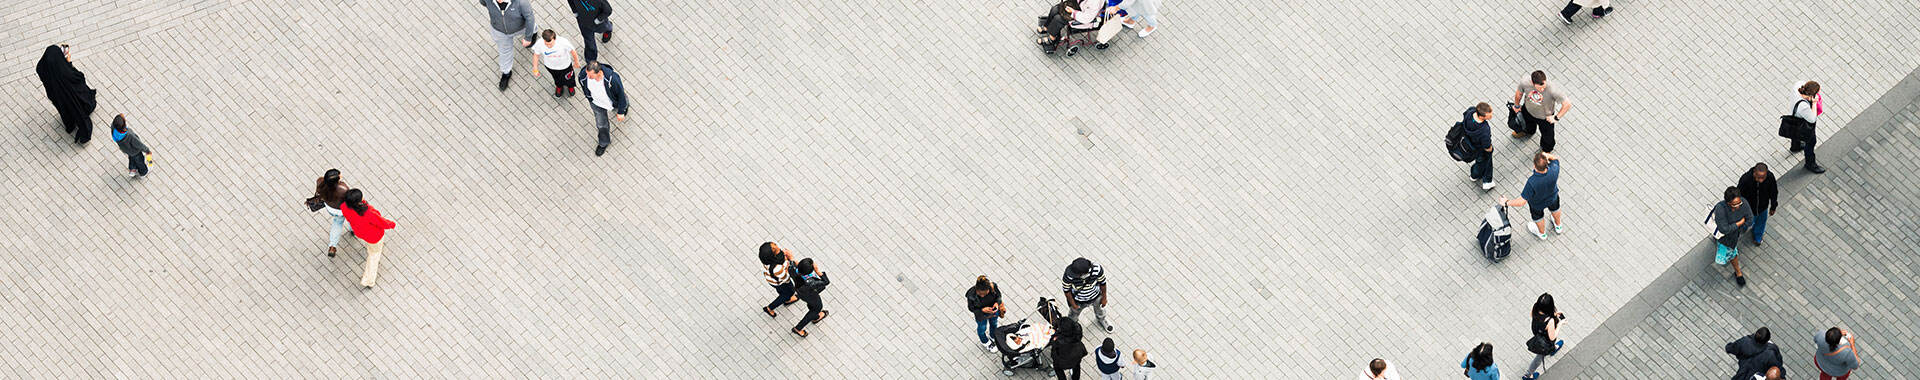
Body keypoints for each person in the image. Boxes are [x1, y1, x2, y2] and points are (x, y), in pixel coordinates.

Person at [35, 44, 98, 145]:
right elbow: (78, 77)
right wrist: (68, 63)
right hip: (71, 93)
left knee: (64, 108)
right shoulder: (63, 72)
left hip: (56, 95)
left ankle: (70, 122)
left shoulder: (43, 68)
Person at [1500, 152, 1564, 240]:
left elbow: (1521, 202)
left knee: (1538, 217)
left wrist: (1507, 202)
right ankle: (1558, 225)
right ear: (1546, 163)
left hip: (1537, 205)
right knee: (1555, 209)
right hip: (1553, 197)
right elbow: (1555, 159)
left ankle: (1542, 234)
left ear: (1534, 166)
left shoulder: (1532, 182)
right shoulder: (1554, 169)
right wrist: (1546, 155)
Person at [340, 189, 397, 288]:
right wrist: (391, 224)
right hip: (374, 236)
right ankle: (369, 280)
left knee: (372, 248)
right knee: (374, 255)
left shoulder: (344, 207)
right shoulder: (367, 212)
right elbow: (382, 222)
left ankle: (370, 250)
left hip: (361, 233)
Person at [1509, 71, 1573, 153]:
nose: (1542, 89)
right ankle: (1527, 132)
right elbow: (1519, 93)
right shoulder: (1525, 82)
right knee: (1527, 125)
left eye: (1544, 87)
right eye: (1540, 88)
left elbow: (1567, 104)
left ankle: (1546, 150)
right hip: (1528, 110)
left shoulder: (1553, 90)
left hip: (1545, 117)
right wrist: (1517, 106)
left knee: (1548, 137)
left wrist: (1556, 118)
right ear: (1533, 82)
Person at [484, 0, 538, 91]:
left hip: (521, 27)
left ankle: (533, 33)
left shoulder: (521, 2)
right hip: (500, 31)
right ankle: (506, 73)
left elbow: (530, 18)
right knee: (504, 52)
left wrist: (528, 38)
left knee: (532, 27)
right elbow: (483, 3)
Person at [578, 62, 630, 157]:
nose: (587, 76)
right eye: (587, 73)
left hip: (613, 102)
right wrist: (590, 98)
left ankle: (624, 107)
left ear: (599, 72)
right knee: (601, 125)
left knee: (623, 102)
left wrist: (621, 111)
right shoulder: (583, 76)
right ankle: (603, 142)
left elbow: (620, 94)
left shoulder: (612, 79)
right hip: (597, 103)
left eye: (590, 75)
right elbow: (584, 87)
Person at [1711, 187, 1755, 287]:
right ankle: (1738, 272)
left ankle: (1738, 272)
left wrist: (1737, 228)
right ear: (1728, 202)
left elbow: (1750, 219)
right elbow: (1724, 229)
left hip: (1734, 234)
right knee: (1732, 253)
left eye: (1739, 203)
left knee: (1731, 251)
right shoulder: (1721, 209)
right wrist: (1739, 223)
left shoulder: (1743, 203)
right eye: (1734, 204)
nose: (1738, 206)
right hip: (1726, 237)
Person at [307, 170, 353, 257]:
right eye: (339, 175)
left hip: (330, 208)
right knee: (351, 219)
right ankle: (352, 230)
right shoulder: (343, 188)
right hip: (341, 210)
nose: (341, 175)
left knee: (337, 224)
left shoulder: (320, 182)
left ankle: (332, 246)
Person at [1521, 293, 1566, 380]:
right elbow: (1552, 337)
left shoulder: (1535, 308)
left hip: (1537, 331)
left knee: (1548, 347)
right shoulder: (1550, 321)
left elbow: (1534, 316)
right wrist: (1560, 323)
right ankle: (1528, 375)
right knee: (1539, 356)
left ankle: (1553, 348)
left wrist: (1554, 314)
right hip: (1544, 340)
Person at [1062, 257, 1113, 332]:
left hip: (1095, 296)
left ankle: (1101, 319)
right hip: (1078, 301)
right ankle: (1072, 326)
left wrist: (1104, 298)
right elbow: (1066, 291)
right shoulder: (1069, 275)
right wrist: (1073, 304)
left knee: (1099, 310)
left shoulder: (1097, 269)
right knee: (1073, 315)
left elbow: (1103, 283)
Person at [529, 30, 582, 98]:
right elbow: (536, 55)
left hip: (565, 66)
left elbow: (572, 51)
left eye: (551, 44)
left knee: (569, 78)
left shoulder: (563, 42)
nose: (549, 46)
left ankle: (570, 86)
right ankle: (559, 87)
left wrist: (576, 62)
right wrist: (535, 68)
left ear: (555, 38)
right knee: (556, 78)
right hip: (551, 67)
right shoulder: (540, 43)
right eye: (546, 44)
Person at [1736, 163, 1779, 246]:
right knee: (1744, 224)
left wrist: (1773, 206)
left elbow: (1774, 192)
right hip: (1748, 210)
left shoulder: (1770, 177)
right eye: (1759, 177)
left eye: (1763, 177)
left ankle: (1758, 236)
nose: (1761, 180)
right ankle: (1738, 232)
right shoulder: (1745, 179)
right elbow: (1738, 195)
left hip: (1763, 207)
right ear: (1754, 172)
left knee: (1761, 222)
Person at [1789, 81, 1827, 173]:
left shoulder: (1797, 85)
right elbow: (1812, 119)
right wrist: (1814, 103)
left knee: (1795, 134)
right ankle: (1810, 164)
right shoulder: (1804, 106)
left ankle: (1795, 146)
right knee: (1811, 142)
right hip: (1802, 123)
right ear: (1811, 95)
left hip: (1794, 118)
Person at [1458, 103, 1496, 190]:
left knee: (1483, 161)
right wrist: (1490, 150)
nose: (1491, 115)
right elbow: (1487, 145)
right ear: (1482, 117)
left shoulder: (1470, 112)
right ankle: (1483, 179)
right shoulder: (1484, 130)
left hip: (1469, 143)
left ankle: (1480, 177)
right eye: (1489, 115)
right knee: (1484, 161)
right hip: (1480, 149)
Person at [790, 258, 831, 337]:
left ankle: (816, 316)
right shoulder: (811, 282)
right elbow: (826, 282)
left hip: (800, 291)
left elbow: (793, 262)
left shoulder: (792, 269)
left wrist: (792, 259)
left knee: (812, 306)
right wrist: (817, 271)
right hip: (809, 295)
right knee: (817, 308)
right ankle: (798, 328)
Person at [758, 242, 799, 317]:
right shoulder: (777, 269)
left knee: (782, 292)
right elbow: (786, 278)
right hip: (780, 282)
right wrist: (790, 260)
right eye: (776, 249)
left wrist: (785, 257)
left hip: (772, 280)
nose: (779, 248)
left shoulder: (766, 260)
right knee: (789, 292)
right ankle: (770, 308)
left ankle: (786, 299)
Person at [966, 276, 1005, 351]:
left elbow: (999, 296)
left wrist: (997, 303)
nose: (982, 295)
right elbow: (971, 308)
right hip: (981, 316)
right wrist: (982, 310)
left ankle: (993, 336)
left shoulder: (993, 287)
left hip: (993, 312)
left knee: (994, 324)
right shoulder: (971, 295)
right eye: (980, 293)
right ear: (976, 289)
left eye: (985, 293)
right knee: (982, 328)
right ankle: (985, 342)